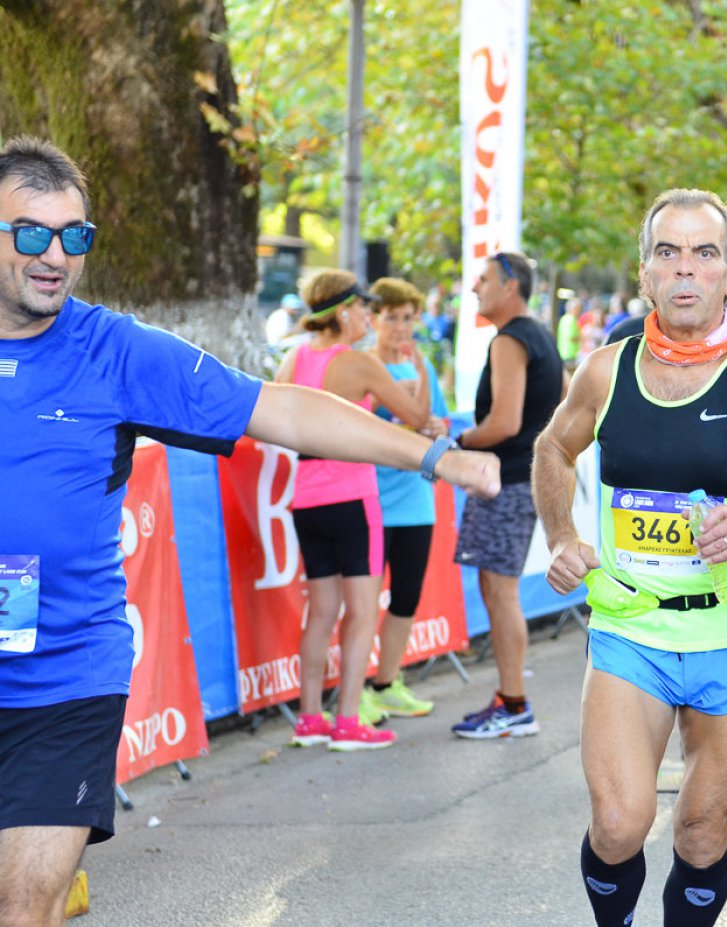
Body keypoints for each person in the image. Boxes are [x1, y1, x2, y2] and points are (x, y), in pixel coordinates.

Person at [0, 136, 500, 927]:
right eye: (32, 232)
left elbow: (284, 409)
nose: (55, 255)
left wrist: (433, 455)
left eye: (74, 235)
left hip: (65, 681)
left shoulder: (114, 350)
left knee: (21, 906)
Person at [533, 188, 727, 927]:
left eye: (705, 253)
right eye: (667, 252)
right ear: (645, 272)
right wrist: (562, 536)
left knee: (702, 832)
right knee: (619, 823)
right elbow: (552, 447)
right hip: (631, 626)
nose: (685, 269)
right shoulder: (606, 371)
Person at [273, 269, 445, 749]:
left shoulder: (293, 358)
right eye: (364, 307)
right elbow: (417, 418)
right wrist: (421, 372)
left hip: (306, 498)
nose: (369, 316)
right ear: (344, 311)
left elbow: (275, 421)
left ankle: (310, 719)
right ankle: (348, 720)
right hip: (352, 496)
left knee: (321, 613)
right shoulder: (357, 364)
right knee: (363, 613)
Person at [451, 251, 565, 738]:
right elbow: (564, 401)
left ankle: (514, 704)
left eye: (483, 279)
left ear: (510, 285)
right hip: (521, 478)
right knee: (498, 591)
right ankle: (509, 699)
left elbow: (503, 422)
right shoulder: (539, 334)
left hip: (507, 480)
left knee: (501, 593)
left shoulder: (510, 339)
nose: (474, 287)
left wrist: (455, 442)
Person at [359, 276, 451, 722]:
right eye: (392, 317)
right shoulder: (362, 366)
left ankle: (386, 684)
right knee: (362, 603)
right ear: (374, 320)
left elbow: (441, 424)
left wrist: (433, 428)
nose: (400, 327)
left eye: (408, 318)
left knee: (406, 598)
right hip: (370, 499)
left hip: (416, 500)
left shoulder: (422, 366)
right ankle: (355, 693)